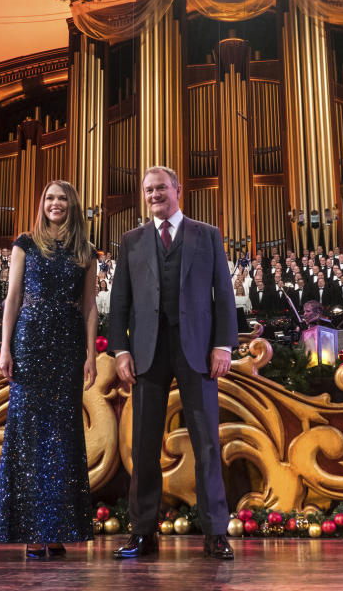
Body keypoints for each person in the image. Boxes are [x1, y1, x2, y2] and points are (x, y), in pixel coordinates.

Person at [108, 166, 237, 560]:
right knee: (143, 446)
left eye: (161, 188)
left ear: (178, 189)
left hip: (197, 349)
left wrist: (223, 345)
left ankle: (215, 533)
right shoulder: (130, 241)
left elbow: (224, 294)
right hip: (146, 351)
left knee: (207, 444)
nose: (154, 195)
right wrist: (120, 350)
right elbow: (120, 302)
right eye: (148, 190)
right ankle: (144, 533)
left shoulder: (207, 235)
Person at [0, 180, 98, 558]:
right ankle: (32, 531)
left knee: (63, 437)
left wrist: (91, 355)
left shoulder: (85, 249)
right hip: (31, 341)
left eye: (62, 199)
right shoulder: (25, 243)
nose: (55, 203)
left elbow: (89, 307)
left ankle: (58, 530)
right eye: (49, 197)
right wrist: (5, 349)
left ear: (73, 205)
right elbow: (13, 298)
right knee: (29, 436)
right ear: (42, 203)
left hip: (67, 345)